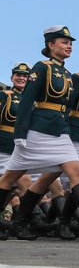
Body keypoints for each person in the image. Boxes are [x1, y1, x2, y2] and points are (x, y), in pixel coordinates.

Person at [0, 26, 79, 240]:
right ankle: (21, 221)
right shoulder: (41, 68)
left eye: (70, 43)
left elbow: (67, 108)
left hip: (60, 132)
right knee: (10, 178)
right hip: (38, 131)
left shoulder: (67, 75)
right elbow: (27, 101)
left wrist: (67, 132)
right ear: (51, 45)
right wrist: (20, 133)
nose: (69, 46)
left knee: (75, 170)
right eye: (64, 42)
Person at [0, 63, 32, 239]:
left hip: (19, 150)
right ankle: (25, 222)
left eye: (25, 76)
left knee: (19, 186)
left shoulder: (31, 100)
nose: (21, 78)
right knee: (21, 183)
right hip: (3, 147)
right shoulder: (5, 95)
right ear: (12, 78)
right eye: (18, 75)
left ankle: (21, 223)